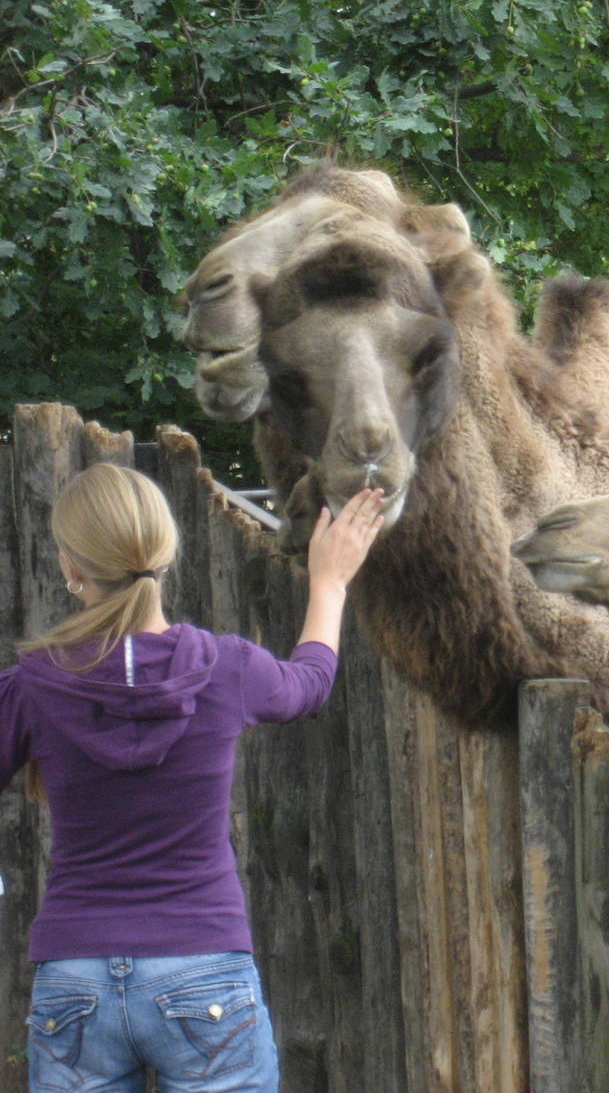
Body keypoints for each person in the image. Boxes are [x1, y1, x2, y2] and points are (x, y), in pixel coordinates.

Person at [0, 463, 385, 1093]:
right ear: (166, 553)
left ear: (71, 567)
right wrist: (330, 582)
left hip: (75, 979)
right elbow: (310, 684)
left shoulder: (32, 686)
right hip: (203, 970)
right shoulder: (226, 667)